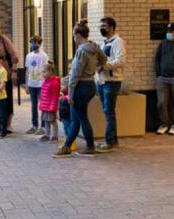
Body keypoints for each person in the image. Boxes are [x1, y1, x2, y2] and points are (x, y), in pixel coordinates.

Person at [54, 20, 107, 158]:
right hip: (90, 84)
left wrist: (70, 94)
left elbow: (75, 74)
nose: (73, 38)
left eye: (73, 35)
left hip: (81, 86)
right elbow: (104, 59)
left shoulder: (81, 51)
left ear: (78, 35)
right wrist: (96, 69)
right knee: (76, 117)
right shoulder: (94, 46)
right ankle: (67, 146)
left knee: (82, 117)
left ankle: (90, 146)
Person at [95, 16, 126, 152]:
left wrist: (105, 66)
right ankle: (112, 139)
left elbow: (120, 61)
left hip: (111, 82)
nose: (102, 28)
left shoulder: (118, 42)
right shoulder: (104, 43)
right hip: (101, 81)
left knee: (109, 111)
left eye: (105, 26)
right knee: (107, 112)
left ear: (112, 27)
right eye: (100, 26)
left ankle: (110, 142)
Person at [154, 22, 174, 135]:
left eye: (172, 31)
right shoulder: (163, 43)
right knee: (161, 102)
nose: (170, 33)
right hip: (162, 78)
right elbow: (157, 59)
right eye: (168, 31)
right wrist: (158, 74)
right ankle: (164, 124)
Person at [25, 35, 49, 134]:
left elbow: (47, 69)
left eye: (35, 43)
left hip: (41, 84)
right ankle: (34, 125)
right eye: (32, 43)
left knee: (42, 105)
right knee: (33, 106)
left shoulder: (44, 55)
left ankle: (43, 127)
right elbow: (27, 70)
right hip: (31, 83)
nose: (33, 45)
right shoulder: (28, 56)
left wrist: (45, 83)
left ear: (39, 43)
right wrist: (26, 83)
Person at [39, 62, 60, 142]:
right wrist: (41, 105)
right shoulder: (45, 81)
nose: (42, 74)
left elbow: (55, 96)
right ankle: (47, 135)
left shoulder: (54, 82)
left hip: (50, 106)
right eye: (42, 72)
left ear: (50, 72)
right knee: (46, 120)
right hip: (45, 106)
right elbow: (43, 95)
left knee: (52, 121)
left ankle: (55, 136)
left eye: (44, 72)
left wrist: (52, 107)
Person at [58, 75, 77, 152]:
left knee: (69, 129)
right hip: (64, 117)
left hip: (68, 117)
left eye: (62, 85)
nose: (61, 87)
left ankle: (72, 143)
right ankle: (67, 142)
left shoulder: (70, 97)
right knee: (65, 129)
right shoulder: (63, 95)